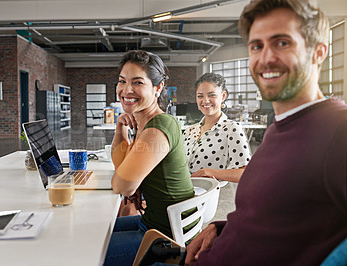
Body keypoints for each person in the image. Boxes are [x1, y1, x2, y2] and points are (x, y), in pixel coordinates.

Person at [146, 0, 347, 265]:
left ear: (318, 52)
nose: (266, 58)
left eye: (282, 43)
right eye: (256, 46)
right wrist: (222, 229)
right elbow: (271, 216)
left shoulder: (337, 130)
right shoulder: (280, 129)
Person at [103, 50, 195, 266]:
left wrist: (127, 179)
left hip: (166, 238)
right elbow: (121, 165)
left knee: (87, 250)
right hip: (153, 222)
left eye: (137, 82)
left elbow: (122, 186)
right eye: (122, 81)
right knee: (94, 231)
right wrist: (120, 128)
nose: (126, 90)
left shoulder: (159, 126)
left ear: (158, 87)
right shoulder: (144, 123)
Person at [183, 73, 251, 183]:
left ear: (223, 96)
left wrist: (208, 172)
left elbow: (245, 173)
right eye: (200, 96)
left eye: (212, 95)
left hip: (206, 196)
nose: (205, 100)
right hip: (182, 194)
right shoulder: (189, 130)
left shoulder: (231, 129)